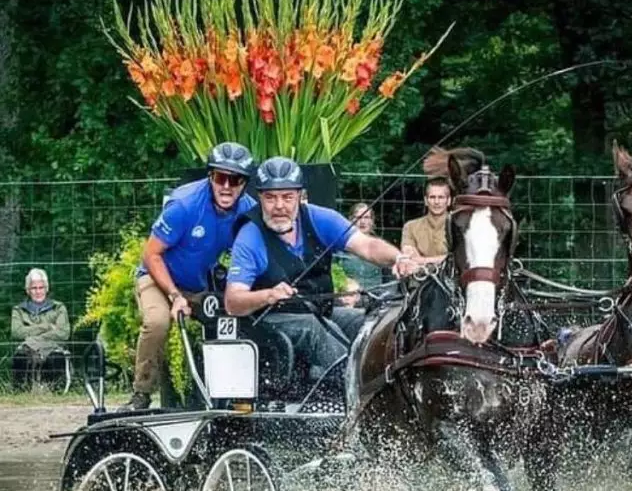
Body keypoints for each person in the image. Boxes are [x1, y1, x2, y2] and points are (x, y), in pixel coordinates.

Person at [225, 157, 419, 385]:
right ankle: (358, 388)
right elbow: (232, 302)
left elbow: (367, 246)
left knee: (367, 321)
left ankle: (396, 382)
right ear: (260, 198)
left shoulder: (319, 218)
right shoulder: (250, 235)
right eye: (270, 198)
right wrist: (268, 295)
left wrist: (399, 258)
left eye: (287, 197)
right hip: (269, 319)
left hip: (320, 311)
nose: (279, 206)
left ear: (299, 196)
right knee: (314, 330)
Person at [121, 142, 257, 411]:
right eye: (220, 177)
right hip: (157, 277)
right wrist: (174, 295)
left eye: (235, 179)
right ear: (210, 177)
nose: (227, 186)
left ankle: (232, 395)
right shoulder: (184, 205)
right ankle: (141, 394)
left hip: (196, 282)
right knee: (157, 322)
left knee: (235, 317)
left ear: (244, 183)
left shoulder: (248, 210)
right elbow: (151, 255)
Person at [11, 268, 70, 391]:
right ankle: (20, 394)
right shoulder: (19, 310)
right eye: (34, 288)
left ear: (46, 288)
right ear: (28, 290)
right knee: (20, 357)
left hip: (52, 347)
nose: (38, 292)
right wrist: (46, 327)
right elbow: (16, 332)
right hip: (27, 350)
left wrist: (32, 339)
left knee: (56, 358)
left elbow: (63, 333)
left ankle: (56, 394)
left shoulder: (58, 308)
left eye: (41, 287)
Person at [335, 202, 384, 307]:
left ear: (372, 221)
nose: (362, 222)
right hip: (347, 301)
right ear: (350, 220)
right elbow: (333, 276)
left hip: (376, 300)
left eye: (366, 217)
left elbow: (390, 280)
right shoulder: (340, 248)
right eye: (358, 217)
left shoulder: (382, 248)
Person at [400, 177, 451, 264]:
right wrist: (444, 258)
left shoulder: (458, 225)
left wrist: (423, 260)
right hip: (419, 276)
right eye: (432, 197)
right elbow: (409, 257)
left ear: (449, 200)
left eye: (441, 197)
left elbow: (459, 258)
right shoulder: (410, 227)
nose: (436, 202)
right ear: (426, 201)